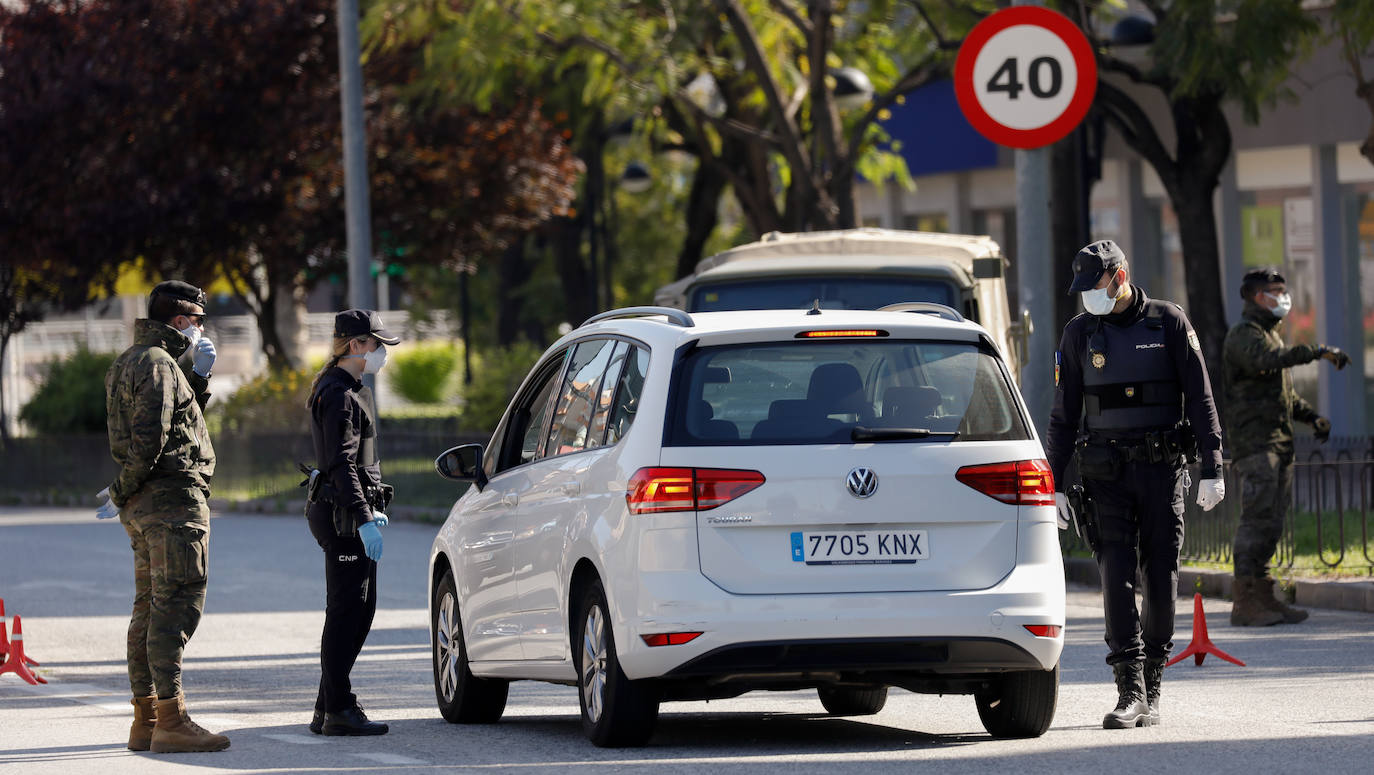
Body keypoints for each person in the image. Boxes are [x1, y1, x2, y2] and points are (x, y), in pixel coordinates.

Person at [1046, 240, 1226, 730]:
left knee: (1161, 576)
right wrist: (1054, 483)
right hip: (1105, 476)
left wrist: (1213, 467)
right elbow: (1063, 416)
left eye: (1095, 285)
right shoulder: (1079, 333)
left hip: (1161, 471)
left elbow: (1201, 400)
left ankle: (1153, 681)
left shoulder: (1168, 322)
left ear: (1120, 277)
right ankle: (1130, 689)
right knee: (1116, 576)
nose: (1088, 296)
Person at [98, 280, 228, 753]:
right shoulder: (158, 363)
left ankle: (147, 719)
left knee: (148, 608)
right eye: (198, 322)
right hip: (172, 503)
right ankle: (171, 720)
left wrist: (198, 377)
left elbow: (177, 422)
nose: (201, 330)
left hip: (146, 505)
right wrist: (119, 490)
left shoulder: (131, 361)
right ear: (180, 321)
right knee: (174, 608)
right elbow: (152, 440)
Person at [1223, 267, 1350, 626]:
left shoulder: (1271, 336)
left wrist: (1311, 417)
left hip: (1279, 443)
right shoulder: (1244, 335)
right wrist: (1316, 351)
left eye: (1283, 290)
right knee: (1255, 521)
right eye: (1275, 292)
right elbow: (1267, 361)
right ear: (1255, 296)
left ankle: (1264, 595)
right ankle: (1244, 603)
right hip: (1255, 445)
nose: (1283, 297)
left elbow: (1285, 396)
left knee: (1273, 521)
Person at [304, 309, 400, 736]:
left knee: (357, 613)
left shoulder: (350, 389)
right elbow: (342, 464)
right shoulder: (339, 393)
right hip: (343, 518)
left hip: (350, 513)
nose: (382, 353)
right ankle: (339, 709)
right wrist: (363, 518)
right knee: (348, 613)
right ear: (356, 344)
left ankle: (327, 706)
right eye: (377, 345)